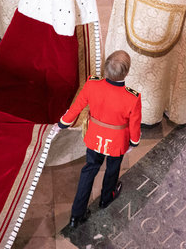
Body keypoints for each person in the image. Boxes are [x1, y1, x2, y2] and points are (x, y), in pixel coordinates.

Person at [57, 50, 142, 228]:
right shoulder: (132, 98)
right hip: (117, 142)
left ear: (105, 68)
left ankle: (76, 215)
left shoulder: (92, 84)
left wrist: (63, 123)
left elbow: (76, 107)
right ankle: (106, 198)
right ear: (126, 73)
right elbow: (134, 125)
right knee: (112, 169)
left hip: (95, 138)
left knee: (88, 171)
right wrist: (133, 142)